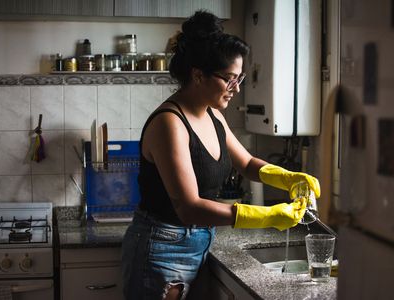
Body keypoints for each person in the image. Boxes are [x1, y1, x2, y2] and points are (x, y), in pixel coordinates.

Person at [121, 10, 320, 300]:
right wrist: (266, 216)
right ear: (198, 75)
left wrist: (288, 178)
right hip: (163, 249)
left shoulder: (212, 114)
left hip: (200, 243)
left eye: (240, 78)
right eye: (229, 79)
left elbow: (248, 164)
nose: (236, 88)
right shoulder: (170, 124)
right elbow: (189, 208)